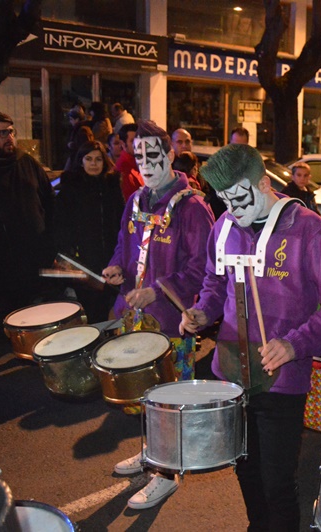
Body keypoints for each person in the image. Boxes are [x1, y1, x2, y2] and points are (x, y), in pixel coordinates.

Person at [180, 143, 321, 531]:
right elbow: (214, 282)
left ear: (263, 183)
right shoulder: (224, 225)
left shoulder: (307, 227)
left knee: (277, 481)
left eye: (240, 201)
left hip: (282, 377)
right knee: (245, 468)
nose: (233, 212)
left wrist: (296, 342)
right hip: (229, 372)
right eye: (225, 202)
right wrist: (202, 311)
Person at [102, 120, 214, 510]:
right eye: (139, 156)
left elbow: (203, 266)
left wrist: (158, 290)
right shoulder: (135, 201)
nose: (146, 163)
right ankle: (152, 452)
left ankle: (166, 474)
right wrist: (117, 267)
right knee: (142, 396)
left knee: (167, 399)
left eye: (154, 155)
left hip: (171, 322)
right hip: (135, 318)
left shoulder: (192, 207)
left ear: (169, 155)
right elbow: (123, 244)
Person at [0, 111, 55, 331]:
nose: (9, 137)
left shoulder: (26, 163)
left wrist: (51, 246)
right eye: (1, 132)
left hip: (33, 260)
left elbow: (49, 204)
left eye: (11, 131)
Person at [54, 140, 124, 322]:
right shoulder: (70, 189)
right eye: (89, 159)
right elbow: (61, 227)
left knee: (115, 309)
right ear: (81, 161)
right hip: (85, 262)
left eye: (98, 159)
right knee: (93, 311)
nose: (94, 163)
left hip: (112, 259)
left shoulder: (112, 186)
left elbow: (122, 221)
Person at [114, 123, 143, 202]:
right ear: (123, 144)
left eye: (140, 140)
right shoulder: (123, 169)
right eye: (133, 141)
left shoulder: (139, 164)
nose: (138, 144)